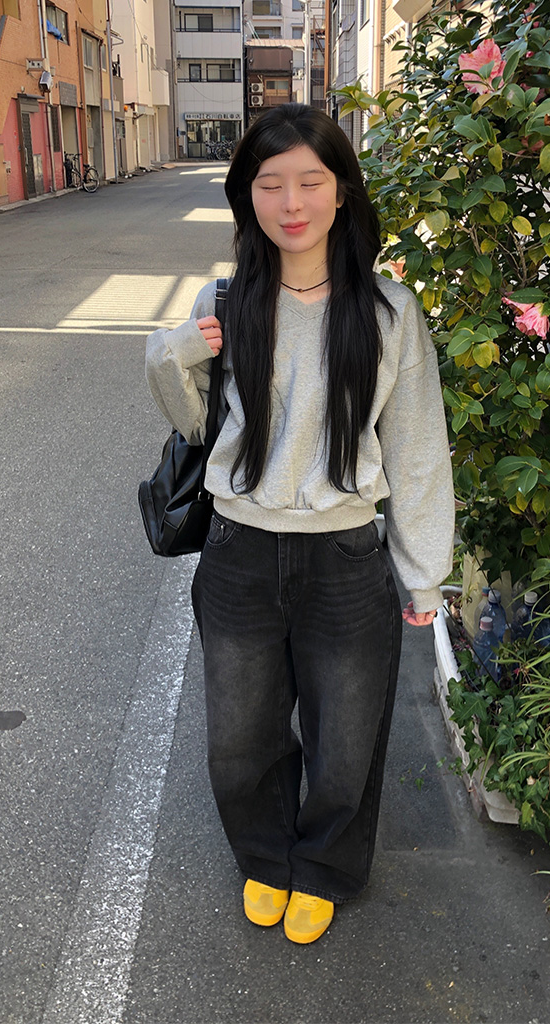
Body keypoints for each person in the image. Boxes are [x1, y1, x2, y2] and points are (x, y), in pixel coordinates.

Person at [145, 103, 454, 945]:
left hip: (345, 559)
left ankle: (324, 867)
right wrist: (175, 352)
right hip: (239, 551)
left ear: (342, 191)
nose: (291, 202)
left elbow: (417, 447)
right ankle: (265, 857)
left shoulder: (388, 312)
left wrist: (423, 573)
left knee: (346, 740)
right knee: (239, 740)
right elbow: (193, 422)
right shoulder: (225, 300)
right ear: (246, 196)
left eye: (311, 181)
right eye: (270, 183)